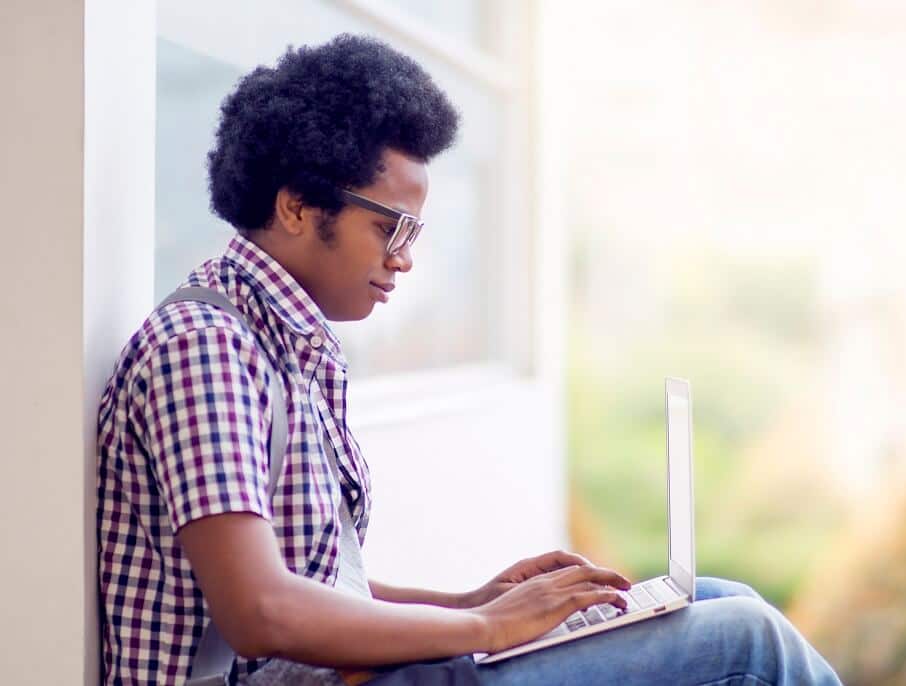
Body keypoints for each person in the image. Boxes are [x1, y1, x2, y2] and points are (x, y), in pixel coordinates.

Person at [96, 34, 841, 685]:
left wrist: (472, 603)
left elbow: (315, 584)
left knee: (717, 599)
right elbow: (262, 612)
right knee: (748, 641)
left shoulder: (281, 340)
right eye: (390, 228)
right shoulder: (206, 345)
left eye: (415, 233)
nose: (405, 259)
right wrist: (490, 628)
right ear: (296, 207)